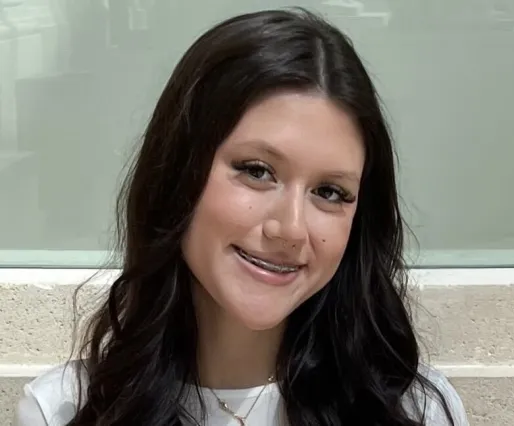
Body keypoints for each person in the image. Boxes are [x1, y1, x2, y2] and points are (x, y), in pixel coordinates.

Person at [15, 8, 469, 426]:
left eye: (330, 192)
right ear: (178, 175)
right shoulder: (63, 411)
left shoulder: (416, 411)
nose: (290, 228)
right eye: (257, 171)